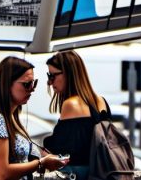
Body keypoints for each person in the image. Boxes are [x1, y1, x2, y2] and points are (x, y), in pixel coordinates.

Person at [0, 56, 68, 180]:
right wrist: (41, 163)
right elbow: (3, 173)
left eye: (34, 83)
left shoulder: (11, 117)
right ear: (7, 84)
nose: (32, 89)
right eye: (27, 84)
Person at [43, 51, 110, 180]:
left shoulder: (71, 104)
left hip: (79, 174)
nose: (50, 82)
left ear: (68, 74)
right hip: (101, 172)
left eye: (52, 76)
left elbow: (59, 148)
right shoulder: (101, 101)